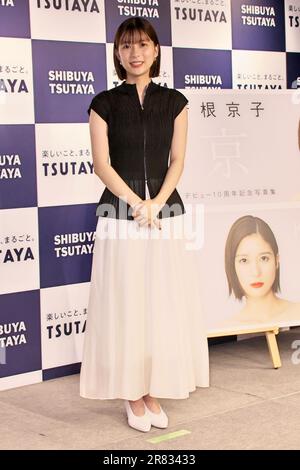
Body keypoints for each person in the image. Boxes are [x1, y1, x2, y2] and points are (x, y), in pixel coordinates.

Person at [80, 17, 209, 433]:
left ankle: (151, 387)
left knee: (160, 302)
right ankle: (132, 393)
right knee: (126, 302)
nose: (135, 53)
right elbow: (102, 165)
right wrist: (138, 203)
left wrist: (157, 203)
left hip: (167, 213)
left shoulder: (175, 102)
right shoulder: (103, 103)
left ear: (156, 51)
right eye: (126, 46)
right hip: (120, 214)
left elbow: (178, 161)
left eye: (142, 45)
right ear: (117, 54)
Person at [223, 215, 300, 328]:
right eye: (244, 260)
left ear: (276, 261)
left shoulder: (297, 313)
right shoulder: (226, 329)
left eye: (264, 258)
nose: (255, 272)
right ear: (232, 266)